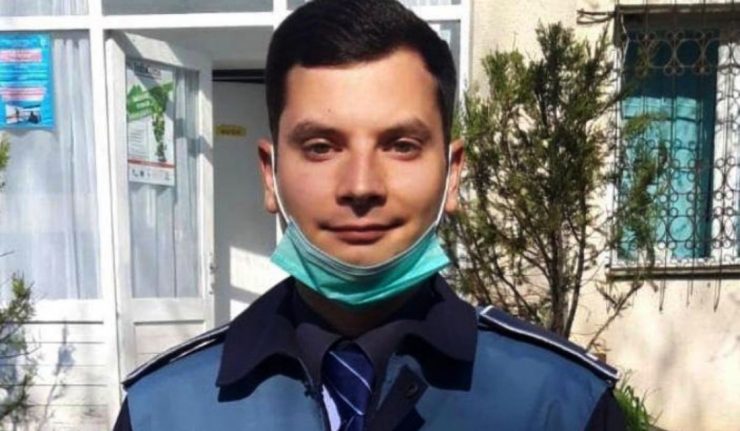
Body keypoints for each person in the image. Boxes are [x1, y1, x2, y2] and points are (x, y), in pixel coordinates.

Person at [113, 0, 626, 429]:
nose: (361, 186)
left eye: (401, 145)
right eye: (321, 147)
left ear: (453, 174)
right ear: (271, 174)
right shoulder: (164, 412)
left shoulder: (562, 406)